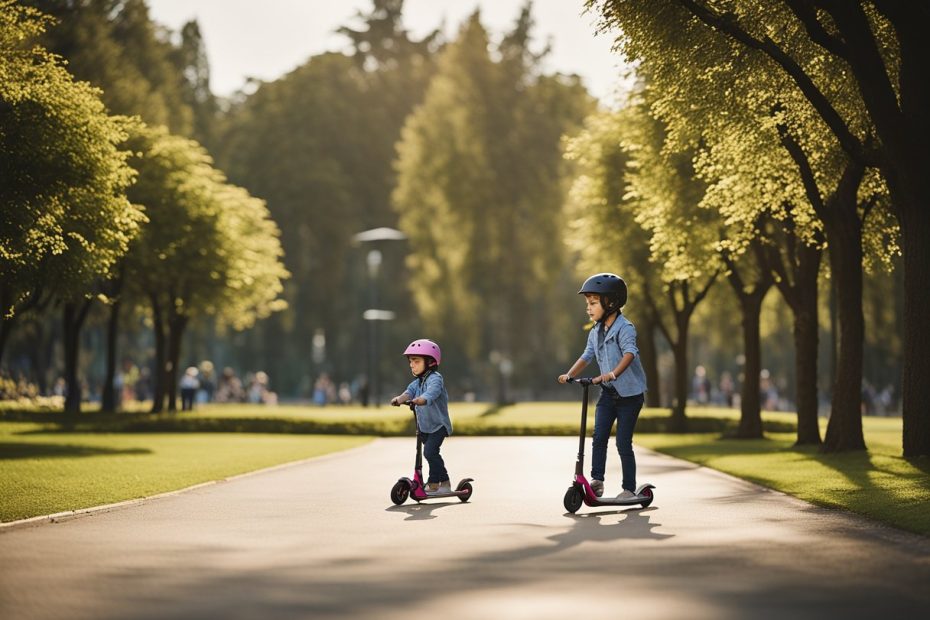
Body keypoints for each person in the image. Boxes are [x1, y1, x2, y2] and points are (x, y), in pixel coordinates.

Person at [558, 273, 648, 499]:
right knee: (598, 438)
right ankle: (597, 480)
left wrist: (611, 374)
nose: (588, 308)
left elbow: (630, 353)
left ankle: (629, 489)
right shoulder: (595, 332)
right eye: (587, 303)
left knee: (622, 443)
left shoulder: (625, 328)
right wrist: (569, 374)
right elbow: (587, 356)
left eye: (593, 303)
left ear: (611, 303)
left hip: (630, 395)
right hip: (608, 394)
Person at [390, 339, 454, 494]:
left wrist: (422, 399)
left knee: (429, 452)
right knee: (431, 454)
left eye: (416, 361)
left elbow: (432, 392)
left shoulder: (435, 379)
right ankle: (444, 482)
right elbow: (408, 393)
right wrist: (399, 400)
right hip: (424, 427)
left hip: (438, 425)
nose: (412, 364)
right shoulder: (417, 382)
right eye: (411, 361)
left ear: (430, 362)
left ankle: (434, 484)